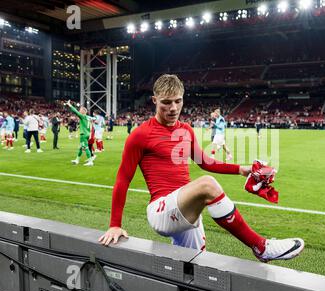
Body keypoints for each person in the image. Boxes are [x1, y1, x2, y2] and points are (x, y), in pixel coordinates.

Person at [98, 74, 304, 263]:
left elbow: (205, 162)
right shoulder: (140, 135)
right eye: (166, 103)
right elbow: (122, 180)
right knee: (207, 185)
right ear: (154, 101)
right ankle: (261, 247)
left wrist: (241, 169)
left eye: (178, 101)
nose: (173, 108)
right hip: (160, 209)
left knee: (194, 265)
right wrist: (115, 224)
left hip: (186, 208)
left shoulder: (186, 130)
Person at [65, 101, 95, 166]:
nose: (79, 111)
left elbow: (75, 111)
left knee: (86, 148)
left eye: (80, 110)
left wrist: (69, 105)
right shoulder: (88, 117)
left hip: (83, 134)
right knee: (81, 147)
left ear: (83, 111)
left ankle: (90, 161)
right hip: (87, 133)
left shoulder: (83, 116)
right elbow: (93, 120)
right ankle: (77, 160)